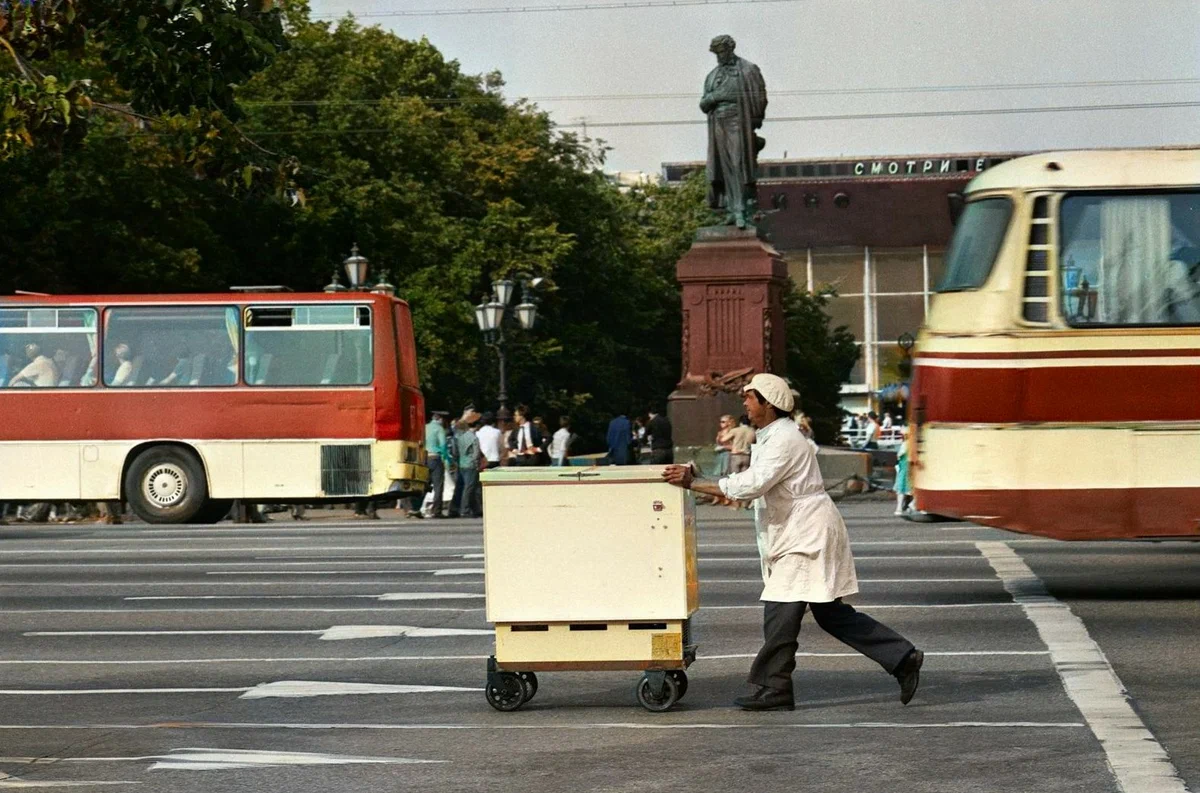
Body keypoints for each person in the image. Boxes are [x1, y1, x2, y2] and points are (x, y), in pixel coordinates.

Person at [662, 372, 924, 711]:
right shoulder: (772, 436)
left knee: (781, 611)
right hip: (801, 530)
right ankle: (902, 657)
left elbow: (752, 484)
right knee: (830, 614)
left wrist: (695, 482)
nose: (744, 402)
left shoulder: (784, 439)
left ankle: (775, 687)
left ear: (768, 404)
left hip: (806, 534)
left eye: (750, 397)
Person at [700, 35, 768, 229]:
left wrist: (754, 122)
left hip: (739, 122)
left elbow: (759, 98)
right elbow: (703, 104)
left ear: (730, 49)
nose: (719, 57)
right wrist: (715, 97)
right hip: (718, 124)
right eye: (716, 53)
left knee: (738, 164)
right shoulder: (712, 76)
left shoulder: (748, 70)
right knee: (724, 166)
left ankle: (740, 210)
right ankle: (731, 209)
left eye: (721, 52)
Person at [455, 417, 483, 519]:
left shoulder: (459, 438)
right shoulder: (473, 438)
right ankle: (465, 510)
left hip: (462, 464)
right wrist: (476, 464)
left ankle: (476, 509)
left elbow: (455, 452)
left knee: (466, 487)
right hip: (471, 465)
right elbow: (476, 453)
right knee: (469, 488)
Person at [423, 411, 449, 518]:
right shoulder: (439, 429)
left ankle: (414, 508)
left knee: (423, 484)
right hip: (435, 458)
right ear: (440, 419)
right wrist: (447, 461)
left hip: (424, 458)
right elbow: (443, 446)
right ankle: (436, 511)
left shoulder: (424, 427)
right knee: (438, 486)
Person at [894, 425, 912, 516]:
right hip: (911, 469)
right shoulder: (913, 444)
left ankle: (899, 508)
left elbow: (899, 455)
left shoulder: (905, 444)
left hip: (904, 468)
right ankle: (910, 506)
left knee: (901, 489)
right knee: (911, 490)